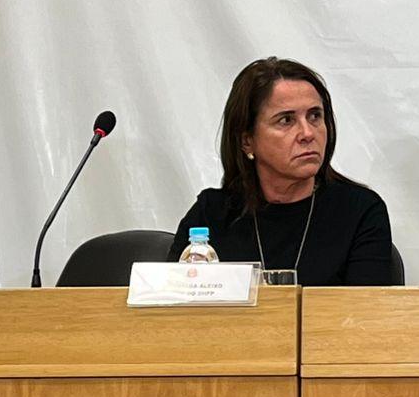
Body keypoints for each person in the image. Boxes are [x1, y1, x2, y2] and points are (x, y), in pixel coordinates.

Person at [170, 57, 401, 285]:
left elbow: (365, 317)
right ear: (247, 140)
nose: (307, 133)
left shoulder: (359, 211)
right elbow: (170, 307)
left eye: (315, 116)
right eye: (286, 120)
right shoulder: (211, 214)